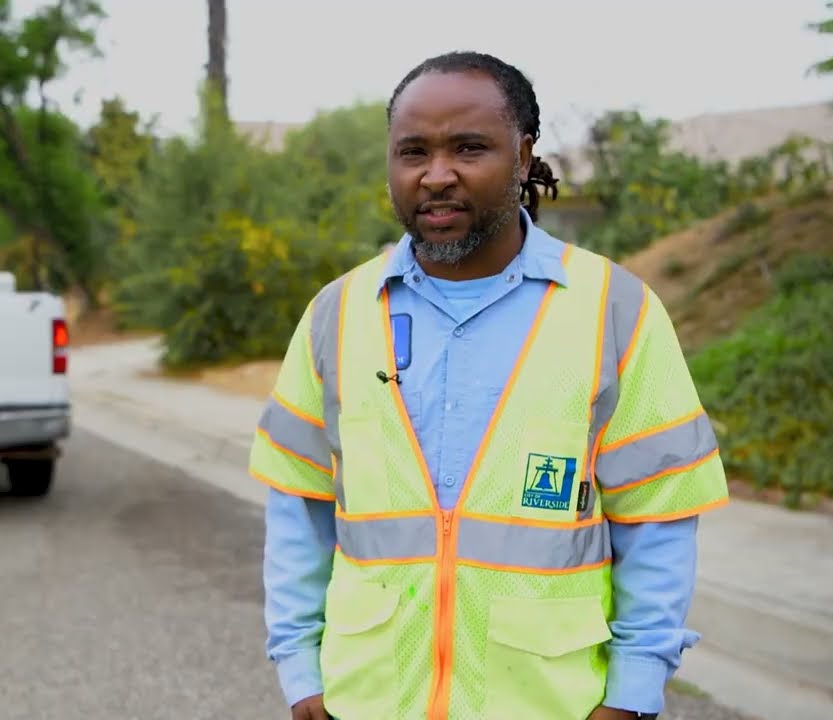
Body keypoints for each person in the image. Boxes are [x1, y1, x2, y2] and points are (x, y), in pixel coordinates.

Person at [248, 50, 730, 720]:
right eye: (412, 151)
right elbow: (300, 510)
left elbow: (658, 522)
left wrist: (634, 690)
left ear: (524, 155)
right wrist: (301, 671)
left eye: (469, 148)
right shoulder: (338, 313)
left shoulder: (615, 310)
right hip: (367, 704)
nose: (436, 175)